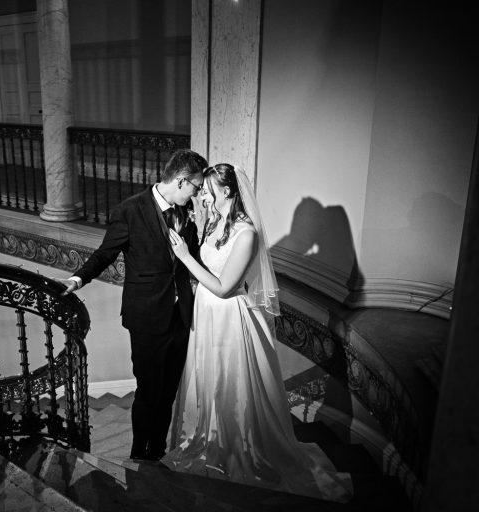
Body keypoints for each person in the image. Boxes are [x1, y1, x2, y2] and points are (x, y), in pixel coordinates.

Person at [163, 163, 353, 502]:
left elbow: (223, 288)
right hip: (206, 315)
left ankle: (238, 449)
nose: (202, 193)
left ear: (227, 191)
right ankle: (209, 439)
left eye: (208, 188)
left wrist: (185, 257)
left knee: (231, 385)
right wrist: (200, 223)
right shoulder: (217, 222)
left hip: (228, 318)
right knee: (207, 380)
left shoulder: (246, 233)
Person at [58, 148, 208, 461]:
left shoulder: (190, 211)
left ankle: (158, 448)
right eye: (195, 186)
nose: (198, 193)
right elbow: (104, 254)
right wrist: (77, 279)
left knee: (168, 390)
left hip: (181, 316)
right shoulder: (130, 210)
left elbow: (192, 259)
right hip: (147, 316)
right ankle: (139, 452)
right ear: (181, 181)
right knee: (149, 389)